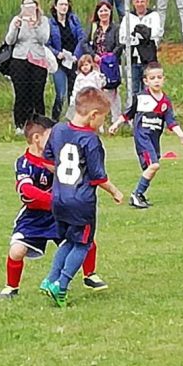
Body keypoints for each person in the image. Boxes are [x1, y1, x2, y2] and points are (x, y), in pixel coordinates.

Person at [0, 116, 107, 300]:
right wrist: (55, 198)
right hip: (34, 217)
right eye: (52, 137)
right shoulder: (24, 163)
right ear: (37, 138)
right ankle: (11, 287)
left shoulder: (59, 160)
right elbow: (26, 190)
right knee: (17, 251)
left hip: (59, 213)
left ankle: (90, 275)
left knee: (84, 239)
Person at [39, 88, 124, 307]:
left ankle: (50, 280)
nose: (101, 124)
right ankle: (62, 286)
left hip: (58, 198)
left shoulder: (57, 130)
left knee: (69, 240)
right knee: (83, 244)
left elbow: (48, 160)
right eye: (102, 118)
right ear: (93, 115)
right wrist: (115, 191)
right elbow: (98, 177)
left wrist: (62, 179)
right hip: (81, 202)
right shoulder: (90, 140)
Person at [110, 62, 183, 209]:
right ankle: (136, 194)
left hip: (154, 140)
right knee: (154, 165)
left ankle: (140, 195)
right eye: (152, 78)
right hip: (142, 138)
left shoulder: (165, 101)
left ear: (163, 79)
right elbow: (128, 114)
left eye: (159, 77)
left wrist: (181, 135)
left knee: (150, 168)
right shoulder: (140, 98)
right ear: (146, 81)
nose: (156, 80)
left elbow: (171, 122)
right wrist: (116, 124)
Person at [5, 0, 53, 133]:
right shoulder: (17, 20)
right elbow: (9, 41)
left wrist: (34, 25)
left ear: (37, 6)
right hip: (19, 59)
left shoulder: (43, 20)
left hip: (38, 60)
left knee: (37, 94)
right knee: (21, 94)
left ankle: (39, 124)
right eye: (26, 5)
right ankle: (20, 125)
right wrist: (15, 27)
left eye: (32, 5)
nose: (29, 8)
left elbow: (44, 39)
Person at [77, 0, 123, 121]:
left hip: (111, 65)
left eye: (106, 10)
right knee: (97, 91)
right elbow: (84, 43)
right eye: (101, 11)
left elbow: (120, 44)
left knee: (112, 91)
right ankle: (97, 119)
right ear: (97, 13)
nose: (103, 13)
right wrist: (93, 55)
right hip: (97, 64)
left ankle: (116, 118)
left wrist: (110, 57)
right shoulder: (93, 28)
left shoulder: (116, 28)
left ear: (110, 12)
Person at [48, 0, 86, 121]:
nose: (64, 7)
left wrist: (76, 55)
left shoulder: (73, 20)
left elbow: (82, 38)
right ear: (55, 6)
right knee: (61, 93)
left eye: (65, 4)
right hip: (59, 62)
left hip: (73, 61)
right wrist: (57, 53)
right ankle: (55, 120)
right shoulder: (50, 23)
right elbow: (46, 44)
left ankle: (73, 120)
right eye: (61, 4)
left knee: (73, 92)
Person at [119, 0, 162, 96]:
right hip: (133, 58)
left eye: (142, 1)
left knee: (148, 88)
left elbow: (155, 33)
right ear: (133, 3)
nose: (140, 4)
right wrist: (139, 36)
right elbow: (122, 37)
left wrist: (140, 33)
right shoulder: (128, 17)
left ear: (147, 2)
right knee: (133, 89)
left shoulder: (154, 16)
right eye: (137, 1)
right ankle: (134, 111)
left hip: (148, 57)